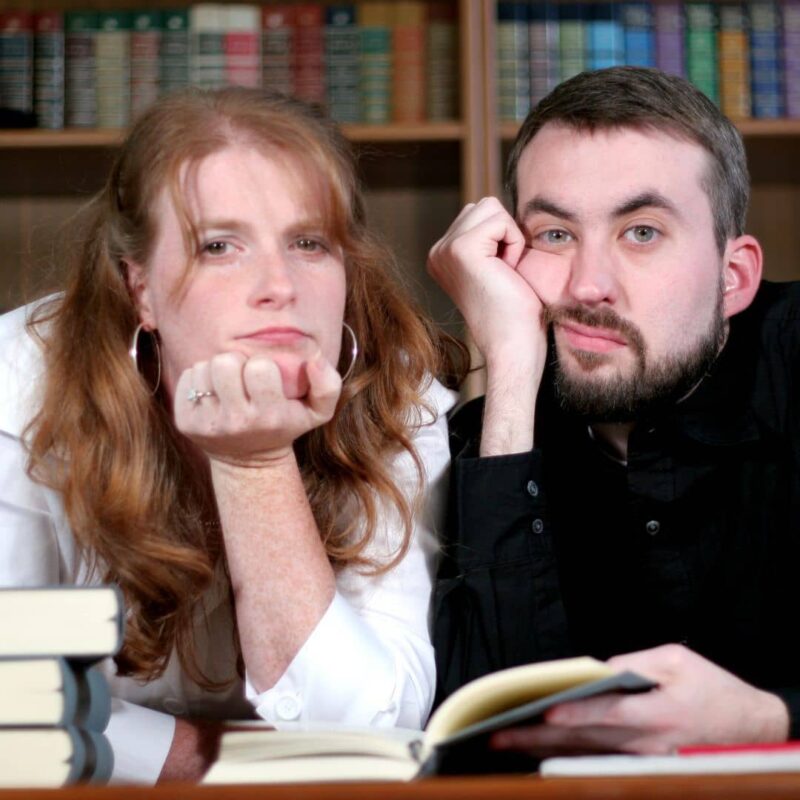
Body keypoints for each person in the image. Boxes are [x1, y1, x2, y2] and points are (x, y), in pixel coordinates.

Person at [0, 87, 465, 783]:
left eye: (309, 242)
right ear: (140, 289)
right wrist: (213, 763)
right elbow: (17, 702)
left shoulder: (403, 399)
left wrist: (256, 464)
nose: (277, 284)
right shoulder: (18, 386)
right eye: (219, 246)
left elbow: (369, 736)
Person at [428, 66, 800, 756]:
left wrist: (770, 719)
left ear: (735, 275)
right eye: (556, 235)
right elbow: (489, 722)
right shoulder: (487, 440)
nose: (588, 286)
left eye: (642, 233)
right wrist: (509, 365)